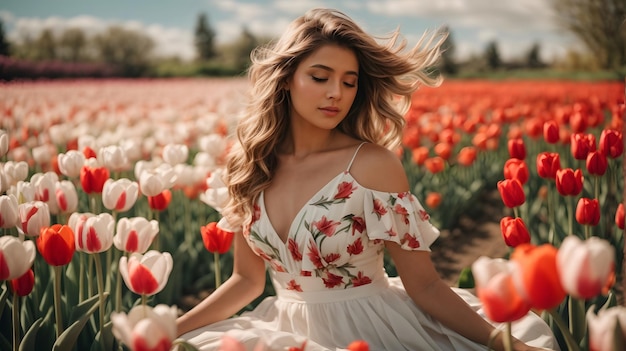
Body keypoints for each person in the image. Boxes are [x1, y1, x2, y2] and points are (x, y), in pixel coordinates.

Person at [177, 8, 558, 351]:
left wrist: (506, 346)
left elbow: (424, 284)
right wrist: (169, 330)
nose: (335, 93)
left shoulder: (370, 165)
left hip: (371, 330)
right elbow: (246, 281)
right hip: (282, 329)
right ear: (287, 78)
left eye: (349, 81)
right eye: (320, 77)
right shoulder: (250, 166)